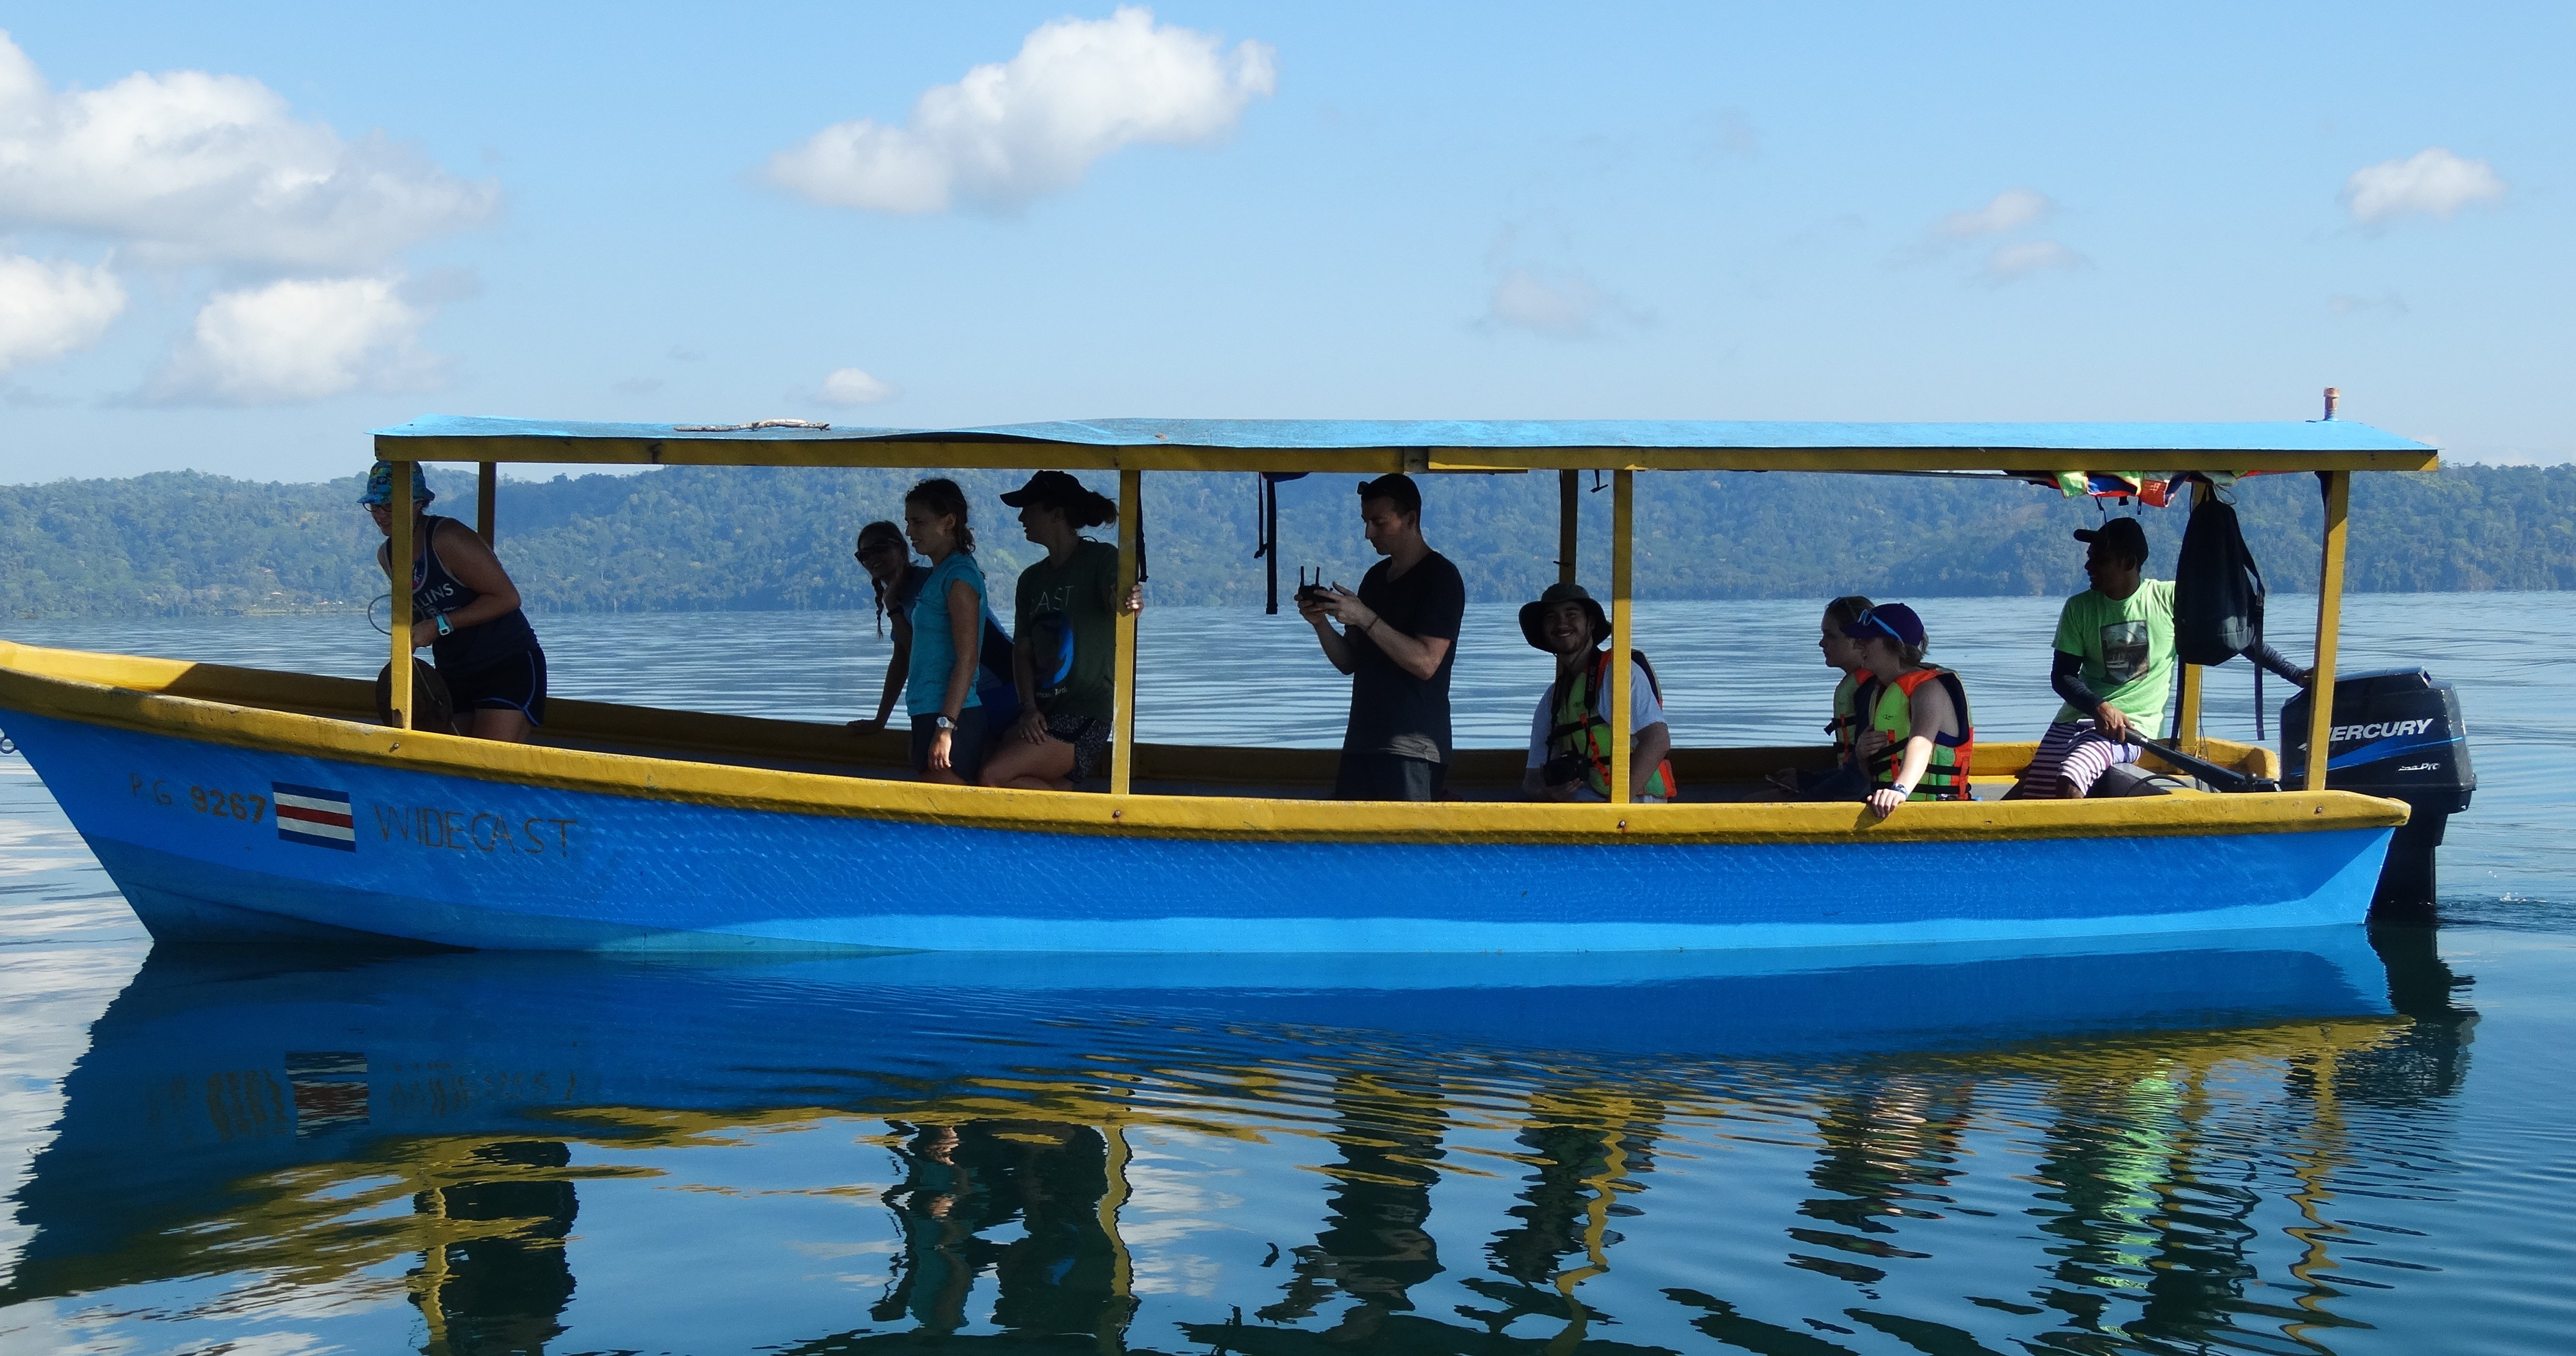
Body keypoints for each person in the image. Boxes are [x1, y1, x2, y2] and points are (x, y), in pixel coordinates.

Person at [2010, 517, 2309, 799]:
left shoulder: (2169, 599)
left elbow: (2236, 639)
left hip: (2130, 729)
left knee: (2072, 774)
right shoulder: (2079, 608)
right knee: (2034, 793)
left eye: (2099, 558)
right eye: (2089, 557)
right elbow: (2062, 677)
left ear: (2129, 562)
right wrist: (2099, 707)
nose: (2089, 565)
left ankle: (2078, 850)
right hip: (2074, 720)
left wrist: (2293, 674)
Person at [1298, 473, 1466, 801]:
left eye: (1378, 522)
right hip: (1362, 743)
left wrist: (1364, 616)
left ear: (1410, 519)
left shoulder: (1440, 578)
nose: (1368, 533)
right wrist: (1320, 624)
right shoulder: (1374, 579)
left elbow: (1426, 662)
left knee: (1405, 851)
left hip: (1414, 750)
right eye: (1365, 522)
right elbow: (1350, 661)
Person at [981, 471, 1143, 791]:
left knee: (992, 778)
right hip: (1042, 714)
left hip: (1085, 713)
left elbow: (1121, 602)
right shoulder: (1030, 580)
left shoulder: (1103, 559)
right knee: (982, 760)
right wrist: (1029, 709)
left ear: (1057, 514)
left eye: (1029, 508)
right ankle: (1065, 798)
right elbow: (1023, 650)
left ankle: (1076, 817)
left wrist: (1131, 600)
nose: (1021, 517)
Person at [363, 461, 546, 742]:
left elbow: (507, 598)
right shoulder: (388, 556)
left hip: (505, 664)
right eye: (374, 506)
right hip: (453, 673)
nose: (380, 515)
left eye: (389, 505)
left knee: (485, 764)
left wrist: (440, 625)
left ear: (418, 503)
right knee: (450, 762)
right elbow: (418, 612)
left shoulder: (448, 539)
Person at [1518, 582, 1675, 802]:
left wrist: (1617, 807)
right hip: (1585, 804)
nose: (1562, 623)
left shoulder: (1619, 673)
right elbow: (1532, 780)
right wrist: (1548, 792)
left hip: (1635, 807)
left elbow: (1658, 740)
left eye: (1571, 614)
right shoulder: (1552, 700)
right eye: (1551, 617)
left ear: (1590, 623)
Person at [1845, 603, 1974, 819]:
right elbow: (1875, 774)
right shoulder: (1880, 691)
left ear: (1895, 646)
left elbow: (1922, 743)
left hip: (1941, 813)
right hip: (1892, 812)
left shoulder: (1929, 689)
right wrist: (1861, 755)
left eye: (1867, 640)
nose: (1859, 646)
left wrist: (1900, 789)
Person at [898, 479, 989, 784]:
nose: (910, 532)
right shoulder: (940, 574)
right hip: (929, 710)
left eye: (919, 522)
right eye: (908, 522)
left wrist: (945, 728)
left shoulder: (960, 576)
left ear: (949, 521)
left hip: (952, 716)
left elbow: (967, 660)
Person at [1766, 594, 1874, 800]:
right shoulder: (1862, 687)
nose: (1821, 643)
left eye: (1830, 636)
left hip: (1863, 800)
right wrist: (1805, 780)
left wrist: (1806, 799)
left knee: (1749, 803)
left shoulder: (1870, 692)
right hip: (1854, 790)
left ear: (1858, 640)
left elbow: (1859, 780)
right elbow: (1851, 772)